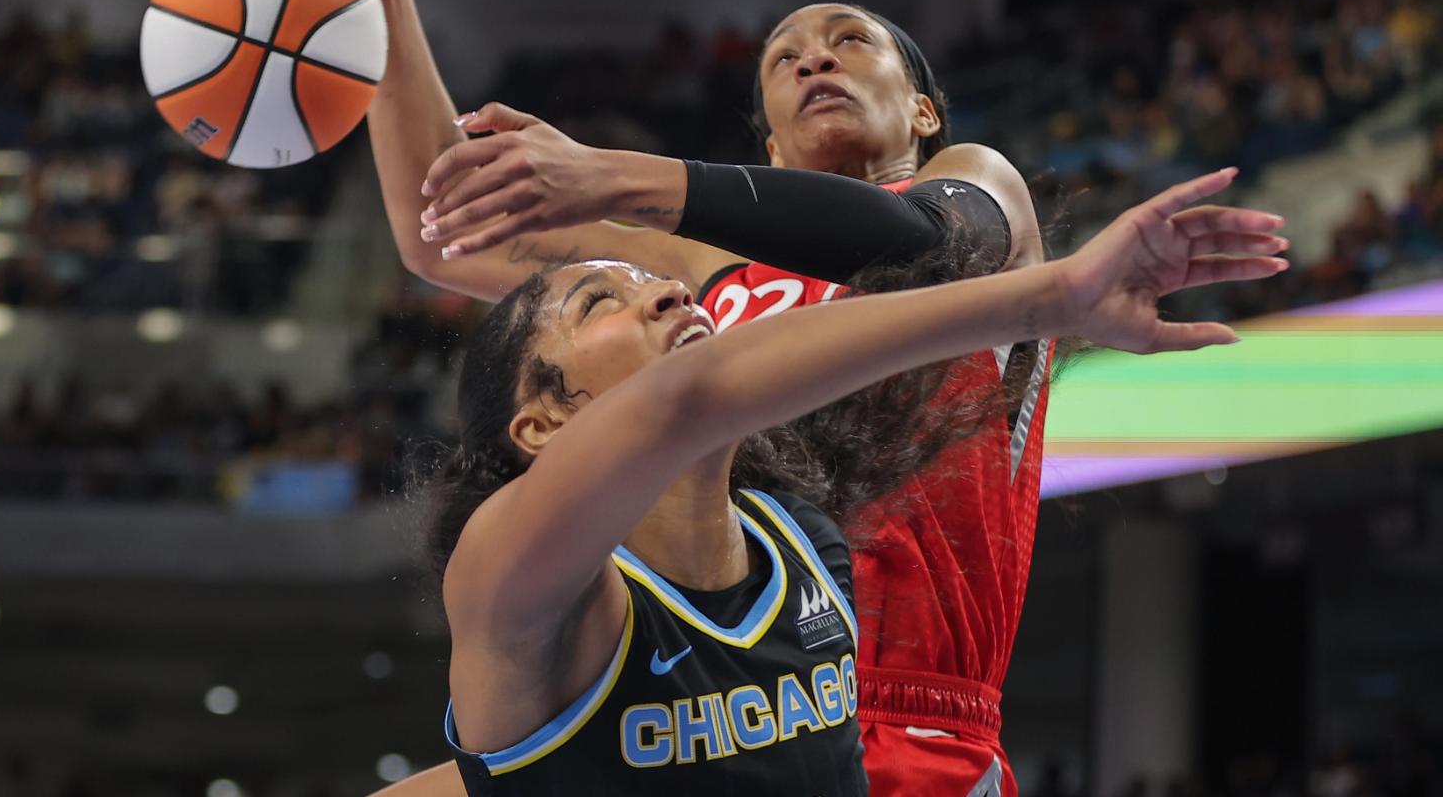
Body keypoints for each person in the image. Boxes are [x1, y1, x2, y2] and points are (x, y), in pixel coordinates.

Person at [214, 0, 1168, 795]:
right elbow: (443, 233)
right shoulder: (688, 274)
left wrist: (629, 178)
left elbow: (919, 243)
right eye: (785, 57)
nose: (815, 60)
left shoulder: (979, 193)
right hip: (699, 679)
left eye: (850, 40)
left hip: (914, 722)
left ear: (925, 112)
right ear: (765, 139)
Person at [420, 167, 1282, 792]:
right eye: (600, 303)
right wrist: (1054, 296)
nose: (667, 297)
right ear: (538, 423)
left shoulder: (802, 545)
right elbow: (684, 401)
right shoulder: (507, 576)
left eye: (659, 280)